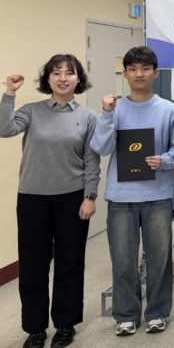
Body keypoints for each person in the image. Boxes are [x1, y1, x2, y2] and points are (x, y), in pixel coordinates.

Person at [1, 55, 99, 348]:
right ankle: (35, 329)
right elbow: (4, 129)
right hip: (32, 199)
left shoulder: (88, 116)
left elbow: (91, 160)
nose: (63, 78)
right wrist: (9, 93)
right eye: (56, 73)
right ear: (48, 78)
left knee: (70, 263)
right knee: (33, 265)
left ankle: (66, 325)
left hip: (72, 198)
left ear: (79, 79)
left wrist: (90, 196)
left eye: (69, 73)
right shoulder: (32, 111)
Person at [90, 46, 174, 337]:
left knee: (159, 260)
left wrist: (165, 160)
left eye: (145, 68)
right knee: (123, 260)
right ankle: (126, 315)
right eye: (133, 69)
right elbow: (102, 147)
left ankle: (157, 313)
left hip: (157, 196)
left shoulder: (169, 110)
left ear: (155, 72)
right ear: (125, 74)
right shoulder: (114, 109)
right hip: (121, 198)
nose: (139, 74)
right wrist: (106, 114)